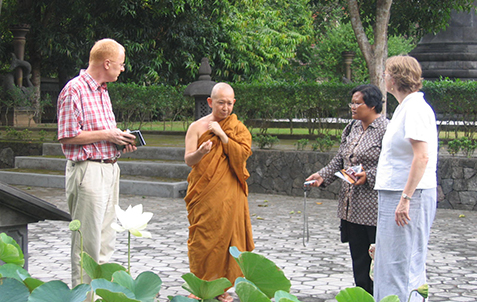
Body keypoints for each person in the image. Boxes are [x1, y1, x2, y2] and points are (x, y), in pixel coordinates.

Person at [57, 38, 137, 287]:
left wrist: (120, 141)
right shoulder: (74, 89)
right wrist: (108, 135)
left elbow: (102, 132)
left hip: (110, 168)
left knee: (105, 243)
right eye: (121, 64)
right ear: (107, 62)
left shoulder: (102, 91)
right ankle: (83, 296)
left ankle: (101, 295)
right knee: (87, 245)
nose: (122, 69)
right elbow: (67, 135)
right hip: (88, 172)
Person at [306, 84, 388, 294]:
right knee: (359, 262)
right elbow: (340, 159)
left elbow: (395, 166)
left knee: (378, 263)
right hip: (352, 208)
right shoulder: (352, 127)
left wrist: (369, 176)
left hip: (375, 209)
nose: (353, 106)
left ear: (371, 105)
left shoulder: (387, 130)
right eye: (352, 102)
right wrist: (322, 176)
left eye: (357, 103)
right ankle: (362, 296)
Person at [373, 55, 438, 302]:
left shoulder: (416, 109)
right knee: (388, 262)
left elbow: (421, 157)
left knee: (403, 264)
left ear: (395, 78)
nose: (384, 77)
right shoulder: (405, 108)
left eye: (387, 72)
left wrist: (406, 198)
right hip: (396, 194)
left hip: (411, 194)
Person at [184, 82, 255, 302]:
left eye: (229, 103)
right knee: (202, 238)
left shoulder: (237, 128)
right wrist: (201, 152)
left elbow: (243, 154)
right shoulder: (196, 127)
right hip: (204, 193)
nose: (225, 108)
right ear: (210, 102)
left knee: (227, 240)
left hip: (229, 193)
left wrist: (223, 136)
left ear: (234, 103)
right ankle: (200, 286)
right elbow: (189, 160)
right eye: (220, 102)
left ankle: (222, 287)